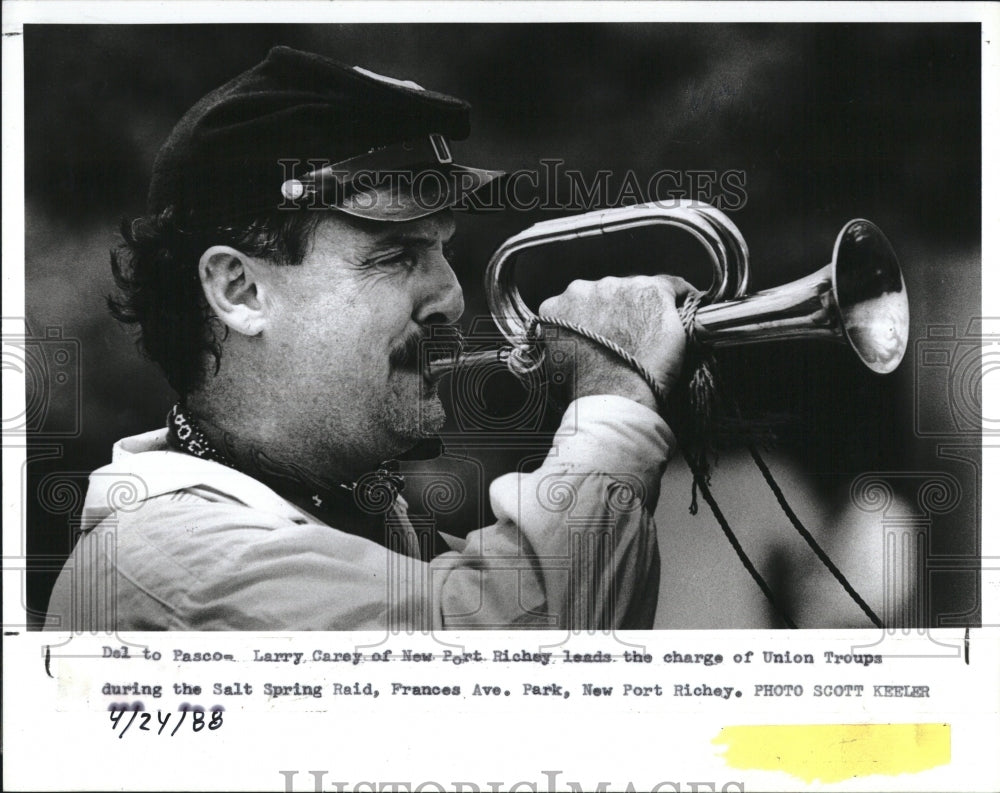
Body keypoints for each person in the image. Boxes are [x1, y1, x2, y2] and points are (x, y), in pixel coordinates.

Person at [44, 46, 693, 632]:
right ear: (239, 290)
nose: (452, 297)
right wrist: (615, 407)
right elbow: (512, 658)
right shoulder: (171, 556)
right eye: (394, 254)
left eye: (442, 249)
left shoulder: (357, 523)